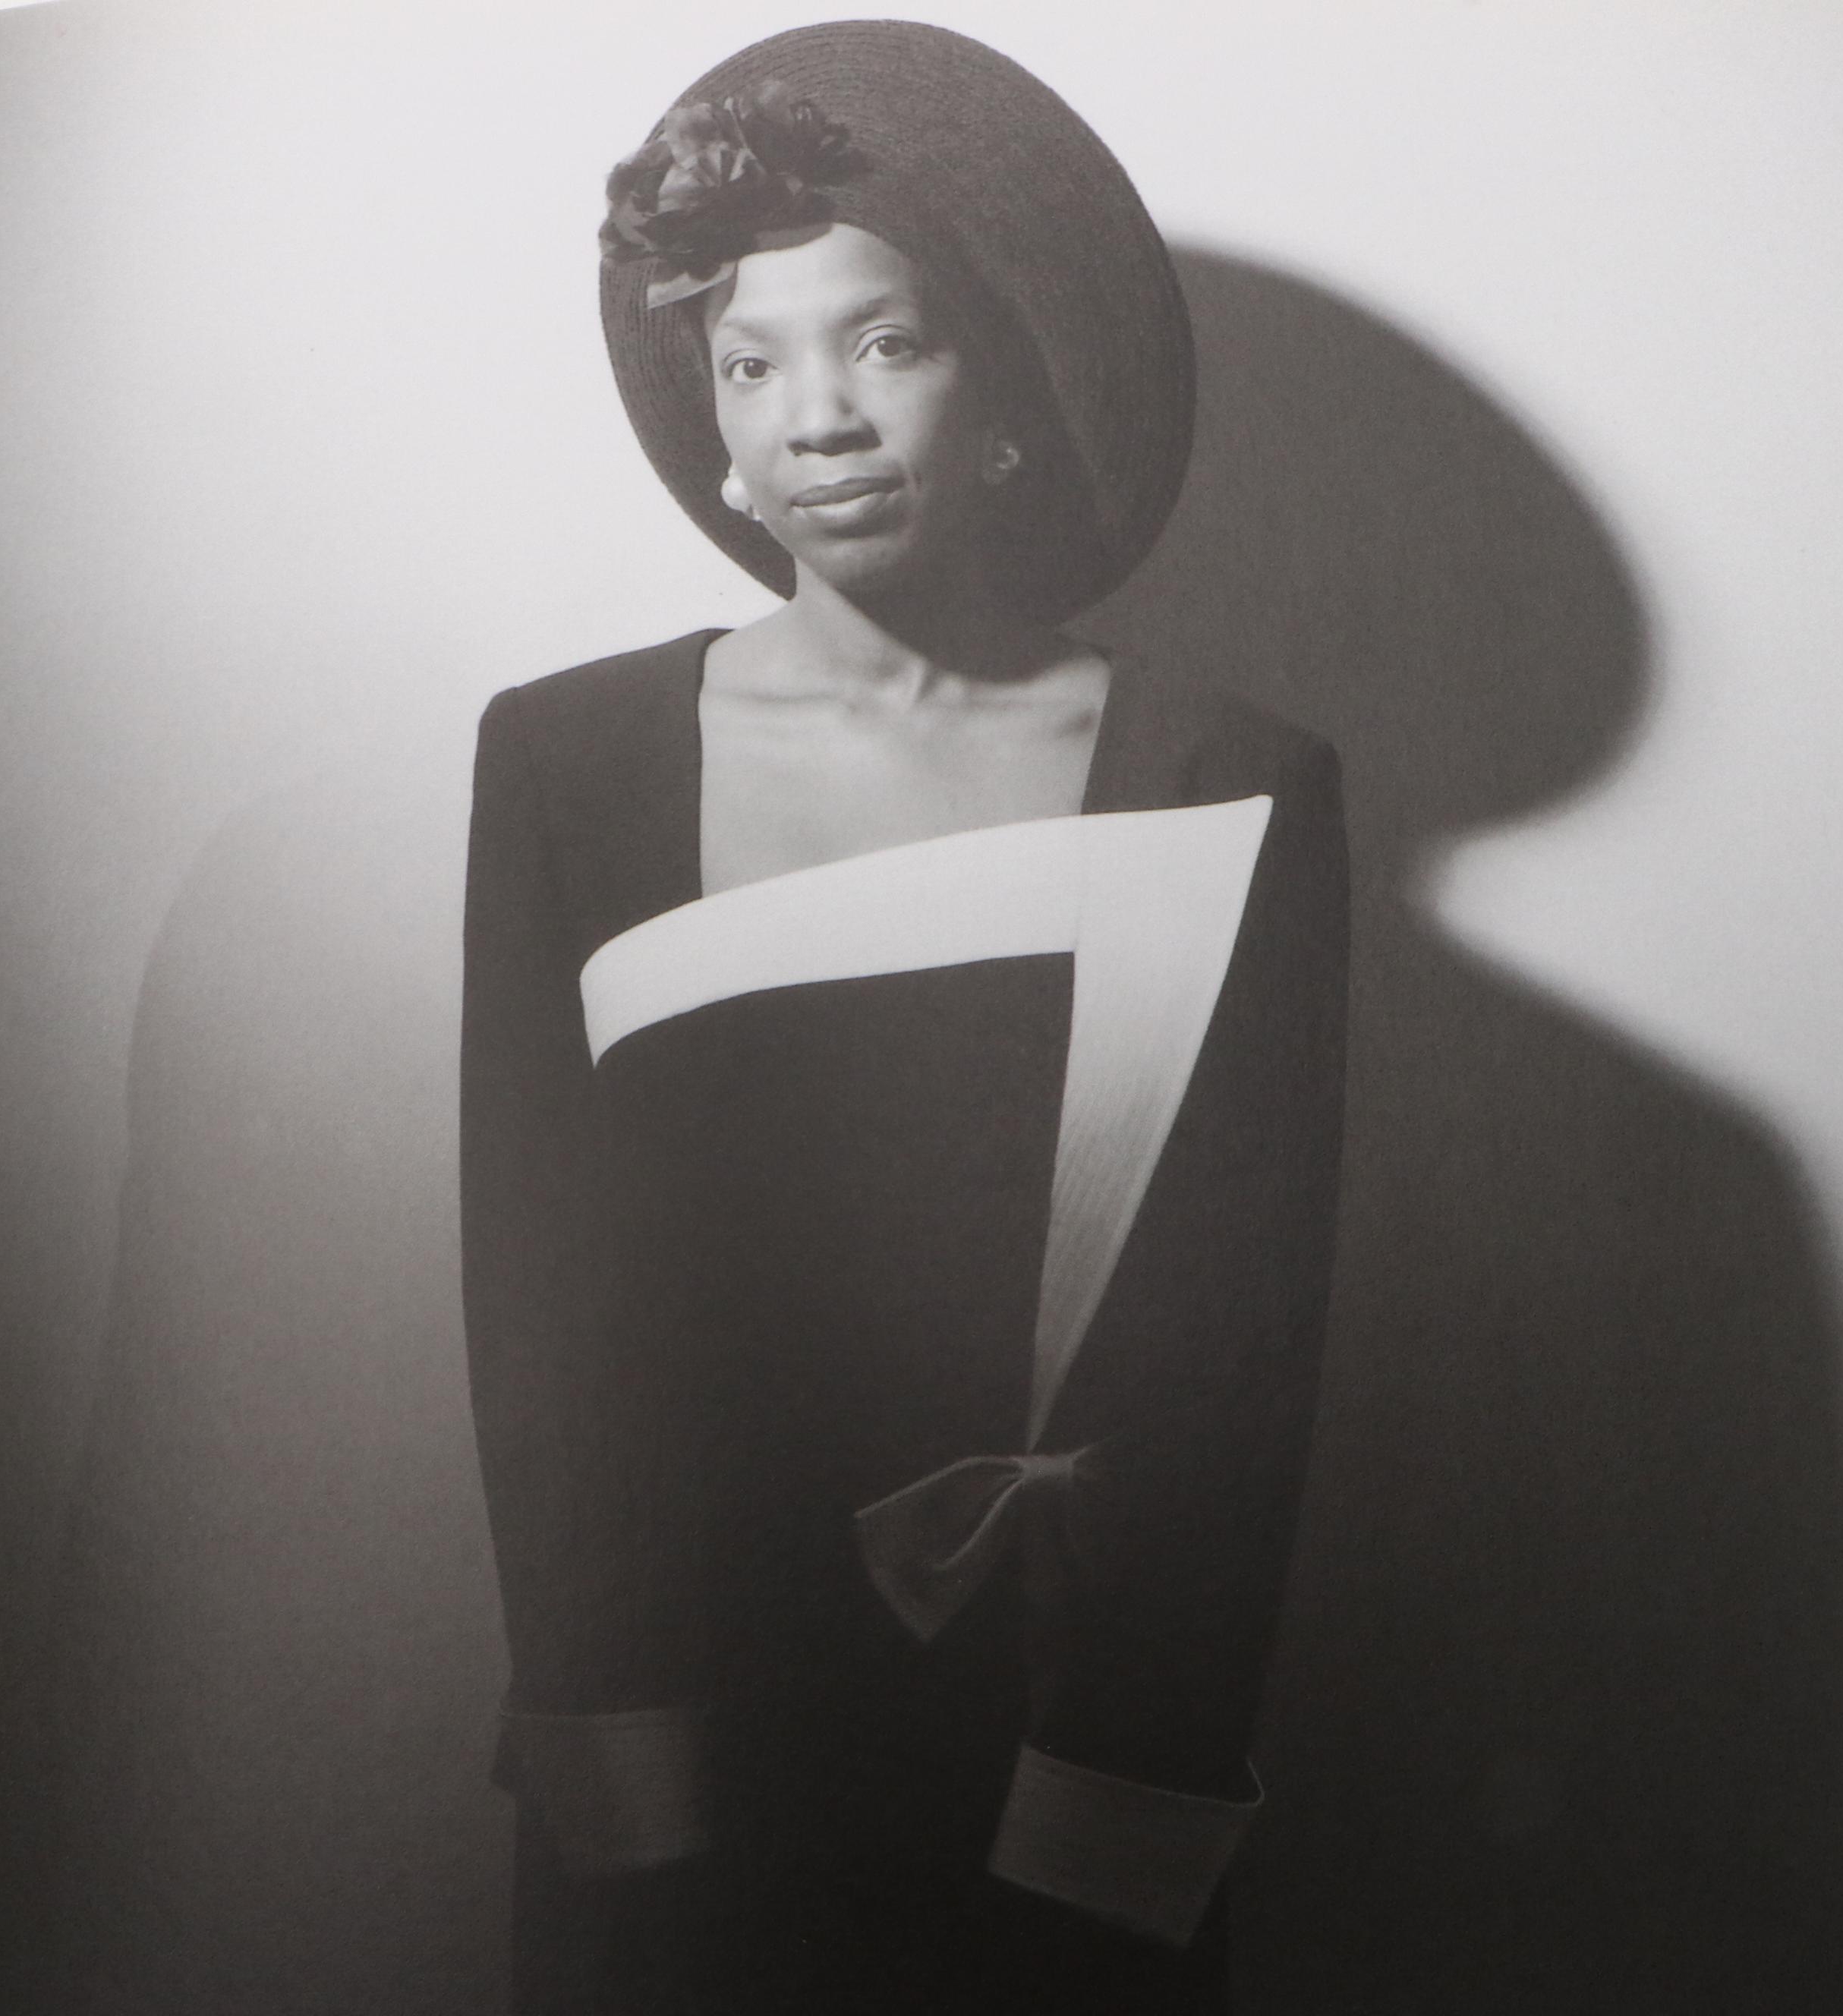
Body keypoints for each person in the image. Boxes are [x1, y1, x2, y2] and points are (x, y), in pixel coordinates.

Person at [459, 23, 1348, 2013]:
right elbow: (536, 1320)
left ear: (1004, 396)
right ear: (705, 422)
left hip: (1056, 1740)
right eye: (750, 365)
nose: (820, 421)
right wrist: (633, 1788)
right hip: (683, 1744)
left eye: (887, 345)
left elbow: (1241, 1372)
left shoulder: (1233, 778)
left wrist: (1106, 1794)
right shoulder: (567, 767)